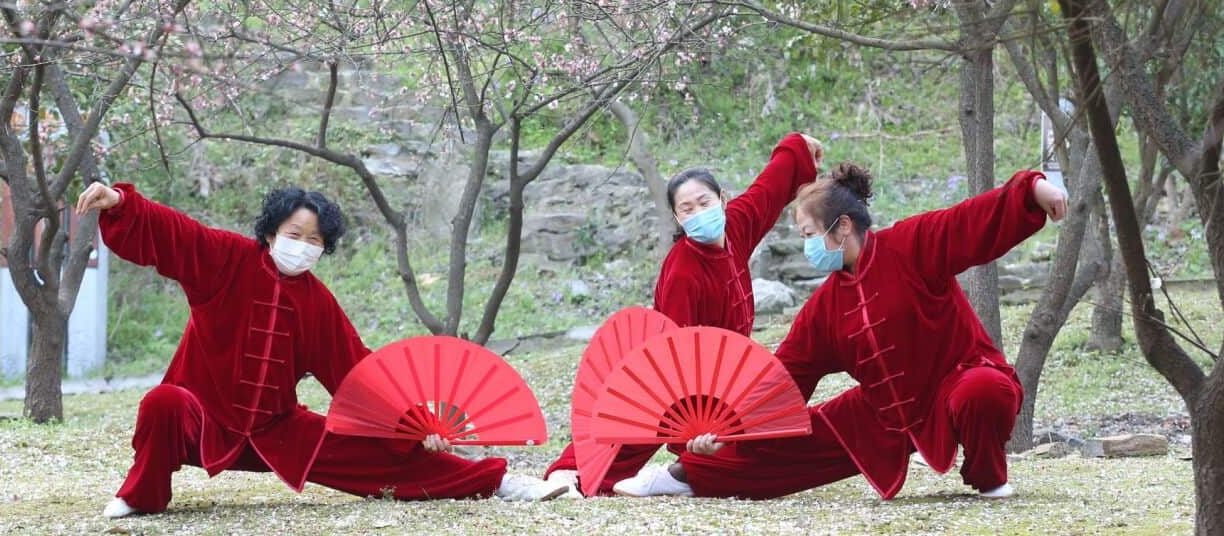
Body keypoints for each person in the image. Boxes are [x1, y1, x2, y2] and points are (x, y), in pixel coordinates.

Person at [76, 181, 566, 518]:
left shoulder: (316, 301)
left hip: (275, 430)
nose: (303, 246)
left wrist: (418, 424)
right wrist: (120, 201)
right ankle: (143, 496)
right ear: (270, 234)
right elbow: (175, 235)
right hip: (201, 420)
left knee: (382, 457)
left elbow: (358, 374)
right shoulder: (225, 258)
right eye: (294, 235)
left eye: (314, 240)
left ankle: (497, 482)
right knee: (162, 402)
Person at [613, 163, 1068, 500]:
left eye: (810, 232)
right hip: (882, 415)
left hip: (957, 381)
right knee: (776, 445)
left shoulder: (911, 245)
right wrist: (719, 432)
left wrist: (1032, 188)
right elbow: (781, 382)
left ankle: (989, 479)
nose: (807, 244)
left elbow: (971, 220)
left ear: (843, 226)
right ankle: (682, 477)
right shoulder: (826, 307)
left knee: (984, 390)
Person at [544, 133, 824, 497]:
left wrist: (798, 145)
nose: (698, 213)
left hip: (729, 373)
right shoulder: (683, 270)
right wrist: (693, 429)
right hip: (674, 371)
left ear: (722, 201)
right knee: (632, 427)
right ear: (676, 216)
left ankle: (689, 471)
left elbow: (767, 190)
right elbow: (679, 356)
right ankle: (568, 474)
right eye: (687, 209)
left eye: (704, 202)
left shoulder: (736, 224)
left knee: (755, 436)